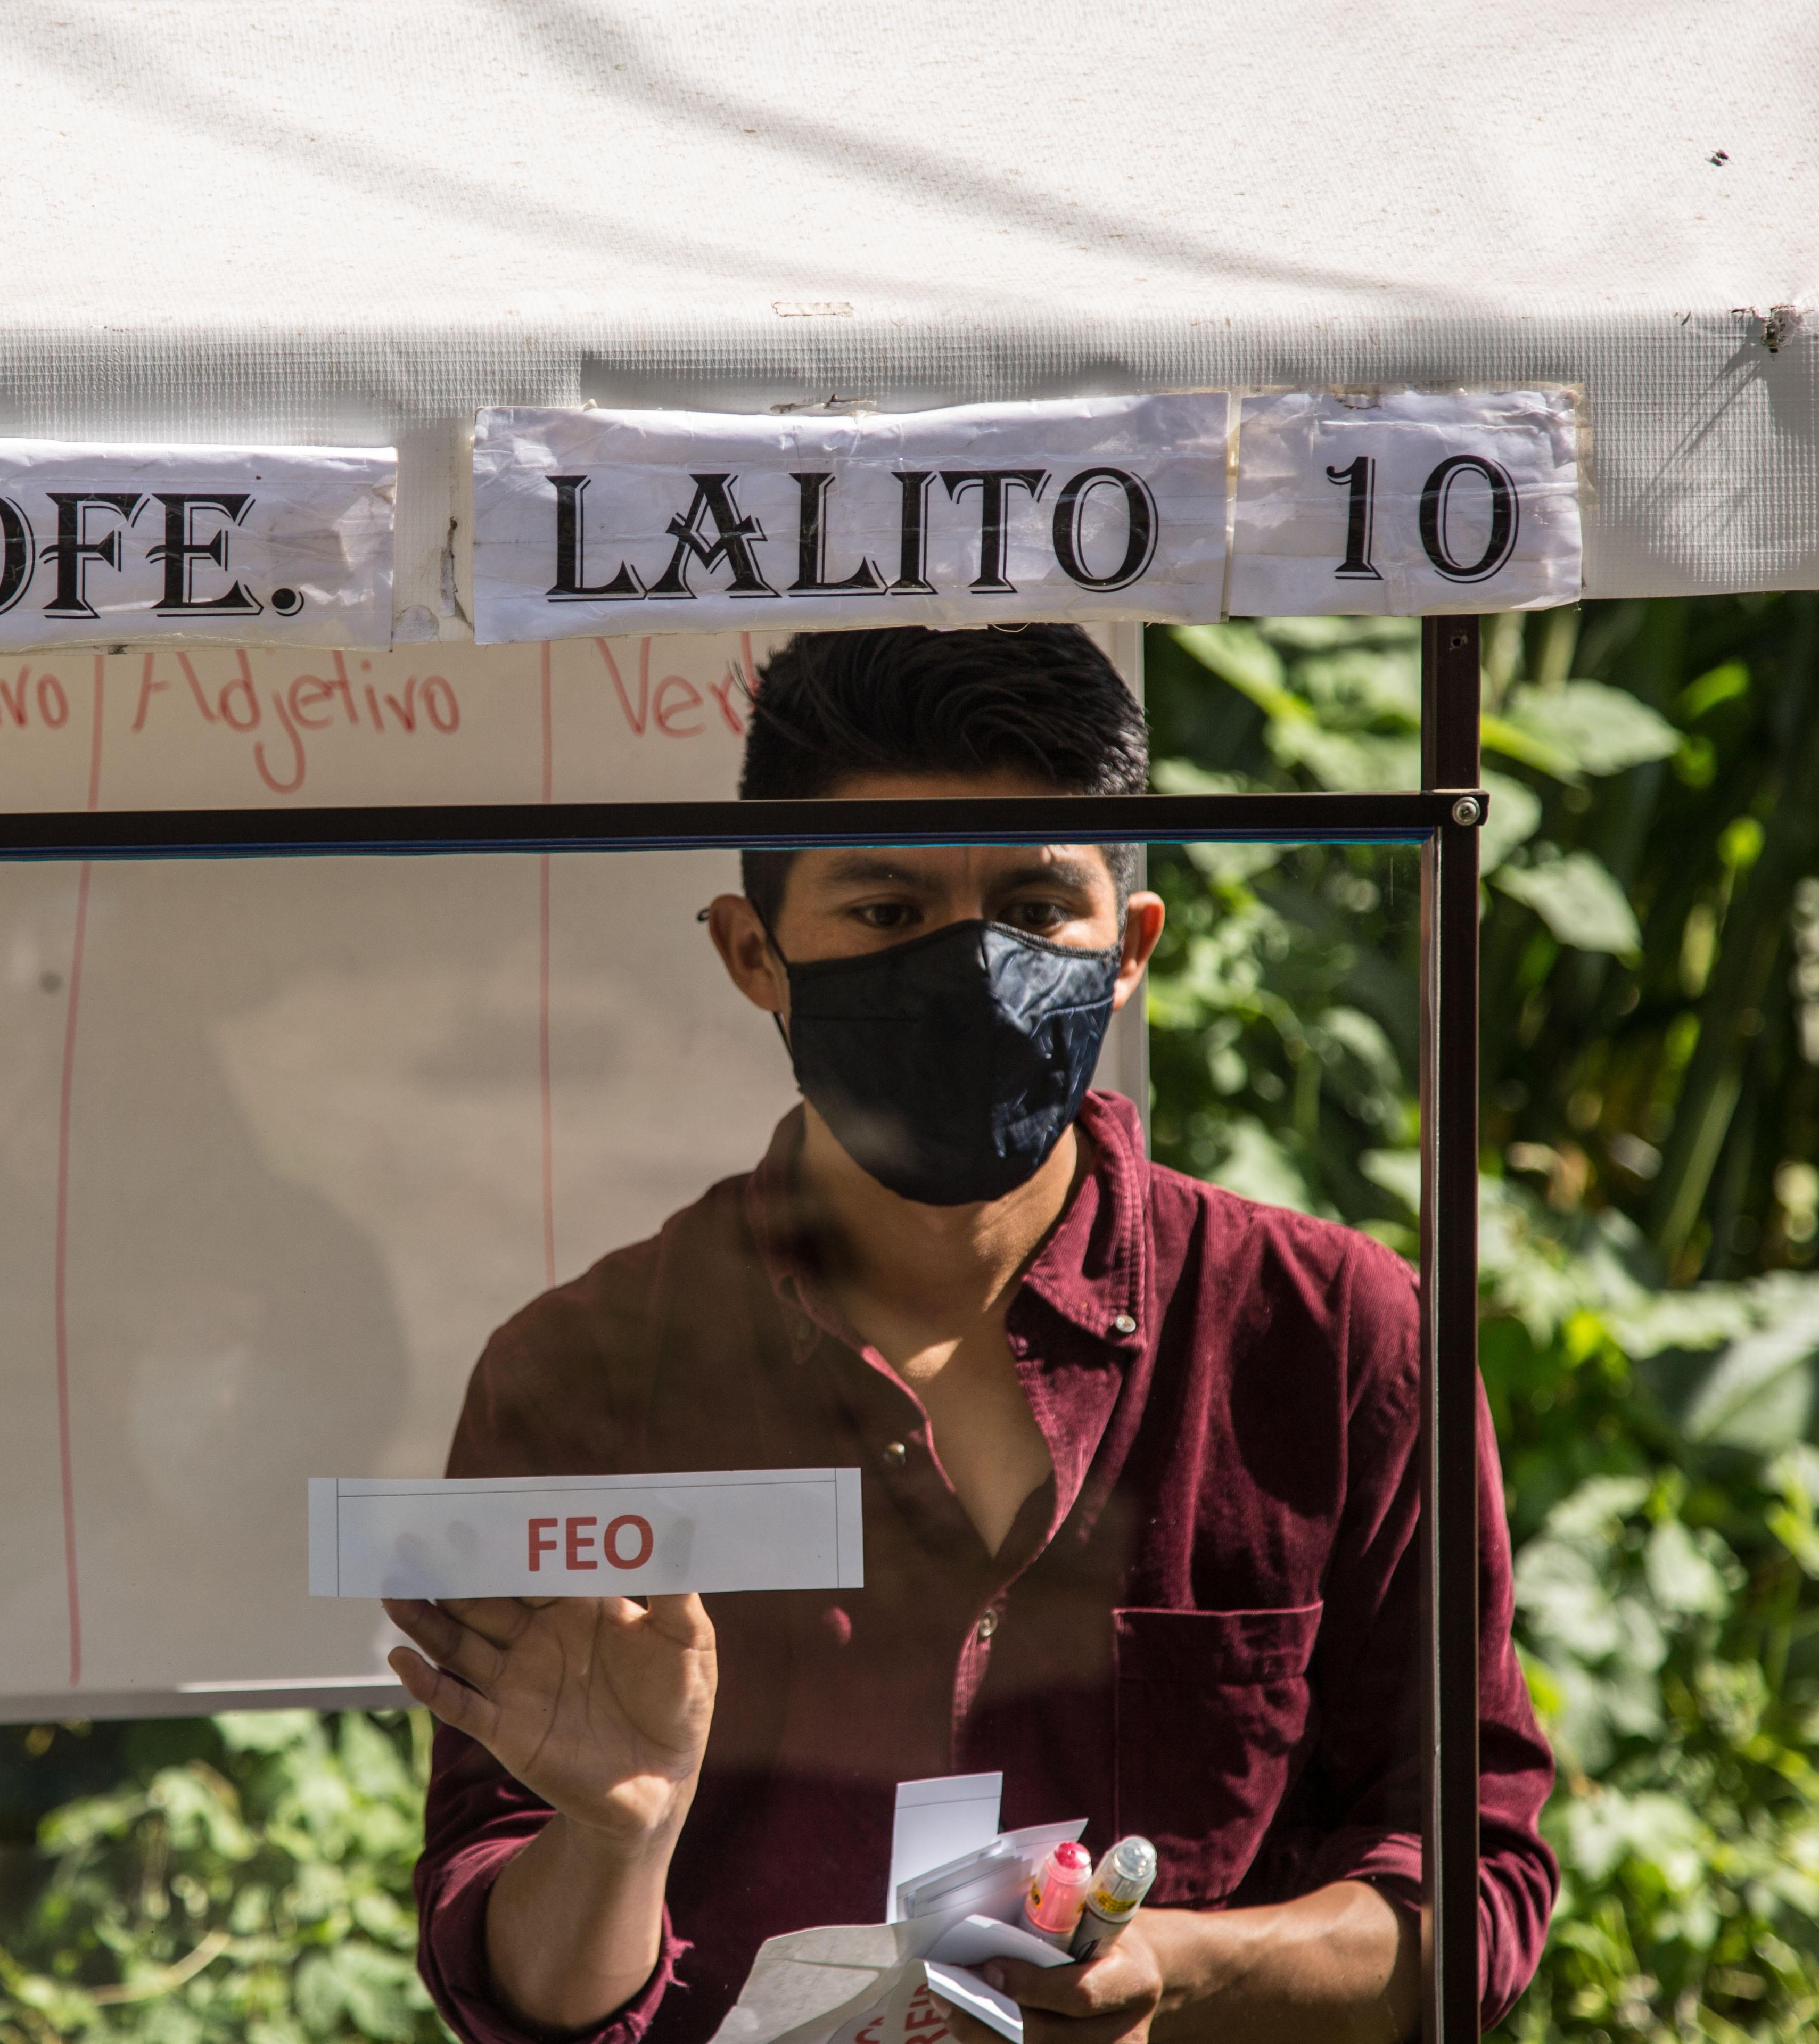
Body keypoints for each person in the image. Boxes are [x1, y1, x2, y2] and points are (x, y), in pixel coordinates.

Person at [385, 624, 1555, 2043]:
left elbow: (1471, 1890)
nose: (973, 971)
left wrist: (1173, 1971)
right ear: (754, 953)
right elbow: (518, 1986)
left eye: (1032, 905)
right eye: (886, 913)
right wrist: (617, 1840)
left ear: (1129, 950)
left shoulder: (1343, 1345)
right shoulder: (579, 1377)